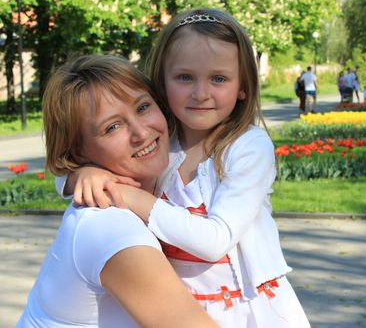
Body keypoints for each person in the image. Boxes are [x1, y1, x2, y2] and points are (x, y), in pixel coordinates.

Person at [61, 9, 310, 327]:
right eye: (184, 77)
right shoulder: (160, 139)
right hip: (182, 308)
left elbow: (215, 241)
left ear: (242, 86)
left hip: (250, 308)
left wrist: (130, 196)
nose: (201, 93)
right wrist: (82, 175)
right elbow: (64, 177)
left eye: (218, 79)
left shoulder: (248, 146)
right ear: (161, 82)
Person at [17, 55, 217, 328]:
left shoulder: (160, 187)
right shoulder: (110, 227)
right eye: (112, 127)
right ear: (78, 150)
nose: (141, 133)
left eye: (143, 107)